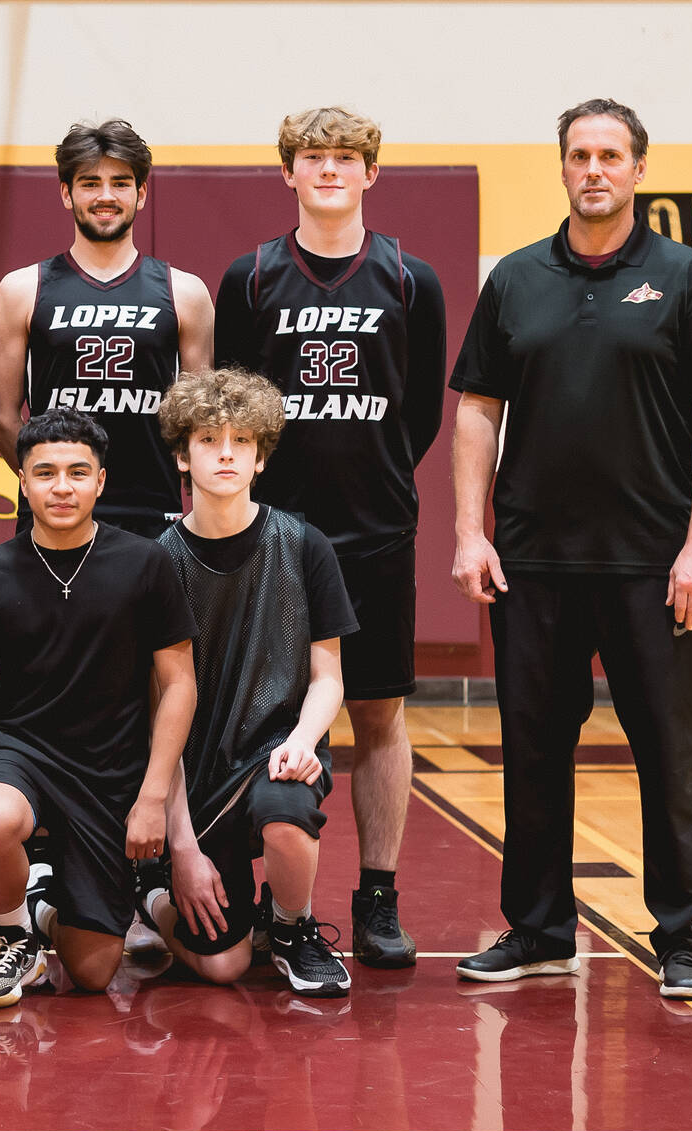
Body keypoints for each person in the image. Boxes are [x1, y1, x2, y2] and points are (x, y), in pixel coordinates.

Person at [450, 99, 692, 1000]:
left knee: (668, 751)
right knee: (533, 749)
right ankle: (539, 930)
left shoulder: (688, 279)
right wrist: (470, 530)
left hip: (655, 564)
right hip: (533, 561)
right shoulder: (516, 280)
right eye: (580, 155)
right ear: (563, 166)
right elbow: (475, 410)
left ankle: (682, 938)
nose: (594, 170)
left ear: (639, 169)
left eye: (611, 155)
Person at [210, 106, 446, 968]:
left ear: (371, 173)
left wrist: (371, 472)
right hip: (270, 535)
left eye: (348, 157)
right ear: (289, 172)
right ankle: (258, 887)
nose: (332, 170)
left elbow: (416, 417)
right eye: (315, 157)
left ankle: (378, 900)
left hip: (376, 531)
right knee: (256, 711)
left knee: (378, 715)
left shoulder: (411, 279)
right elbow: (230, 408)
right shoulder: (252, 277)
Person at [0, 408, 197, 1008]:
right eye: (46, 473)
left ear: (101, 482)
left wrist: (153, 796)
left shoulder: (145, 563)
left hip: (108, 769)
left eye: (78, 472)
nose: (62, 487)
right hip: (21, 751)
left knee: (92, 973)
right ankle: (11, 932)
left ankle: (41, 905)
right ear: (22, 483)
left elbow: (180, 684)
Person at [144, 367, 359, 998]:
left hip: (276, 753)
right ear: (183, 456)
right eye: (209, 440)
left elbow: (328, 676)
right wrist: (180, 848)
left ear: (262, 457)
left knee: (286, 812)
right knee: (222, 966)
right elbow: (160, 715)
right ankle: (151, 897)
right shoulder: (159, 562)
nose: (227, 453)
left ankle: (291, 929)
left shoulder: (305, 545)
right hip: (197, 776)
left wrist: (304, 737)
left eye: (242, 441)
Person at [0, 119, 213, 537]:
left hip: (150, 513)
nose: (105, 196)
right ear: (66, 193)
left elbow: (196, 424)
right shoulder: (21, 289)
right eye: (90, 182)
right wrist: (54, 484)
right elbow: (1, 419)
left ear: (141, 194)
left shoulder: (186, 293)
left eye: (120, 183)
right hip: (51, 515)